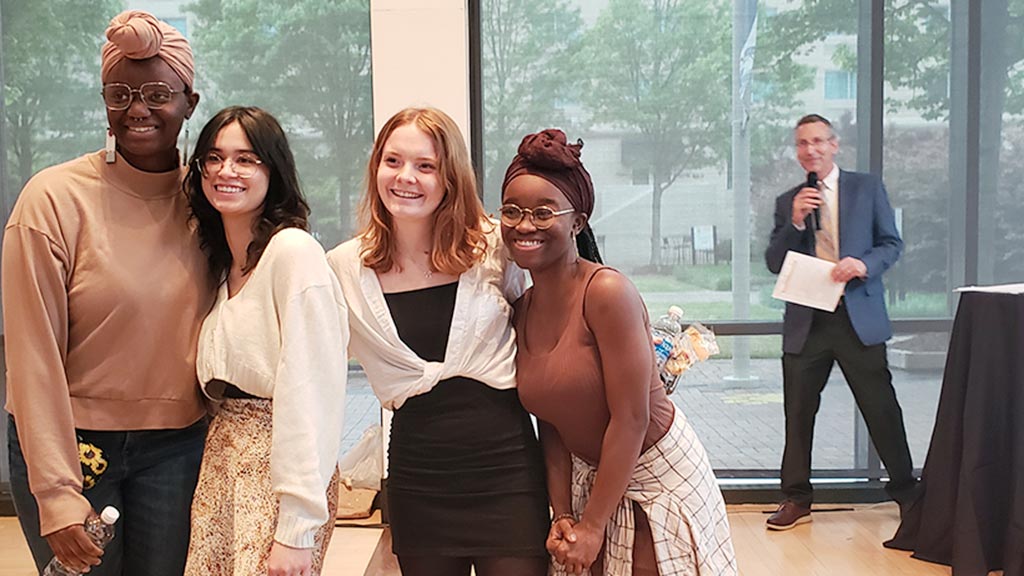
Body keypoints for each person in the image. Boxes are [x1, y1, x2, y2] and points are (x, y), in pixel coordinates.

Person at [1, 11, 212, 575]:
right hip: (73, 447)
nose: (137, 108)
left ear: (190, 103)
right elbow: (31, 357)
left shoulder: (213, 204)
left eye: (157, 92)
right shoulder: (52, 200)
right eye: (119, 93)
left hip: (178, 447)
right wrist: (55, 488)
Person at [502, 129, 737, 576]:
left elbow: (632, 418)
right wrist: (564, 514)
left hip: (656, 474)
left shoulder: (607, 293)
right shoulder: (522, 309)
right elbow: (550, 423)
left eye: (543, 212)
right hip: (589, 476)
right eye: (512, 211)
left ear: (577, 222)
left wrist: (592, 527)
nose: (524, 224)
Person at [327, 107, 549, 576]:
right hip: (418, 475)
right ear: (376, 168)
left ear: (450, 176)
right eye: (393, 161)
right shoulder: (344, 268)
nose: (406, 177)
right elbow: (316, 366)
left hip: (507, 468)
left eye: (425, 166)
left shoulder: (492, 246)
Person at [182, 106, 348, 576]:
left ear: (273, 172)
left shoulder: (293, 253)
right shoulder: (219, 262)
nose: (225, 171)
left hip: (278, 469)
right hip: (221, 459)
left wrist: (296, 530)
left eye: (245, 159)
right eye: (213, 158)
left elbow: (312, 393)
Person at [764, 113, 918, 530]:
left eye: (817, 141)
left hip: (857, 317)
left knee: (881, 409)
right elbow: (774, 262)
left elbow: (891, 244)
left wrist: (862, 264)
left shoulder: (865, 188)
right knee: (798, 414)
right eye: (802, 144)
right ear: (796, 151)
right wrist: (795, 222)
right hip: (807, 322)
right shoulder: (789, 200)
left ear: (834, 145)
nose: (810, 150)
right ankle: (796, 498)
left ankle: (908, 494)